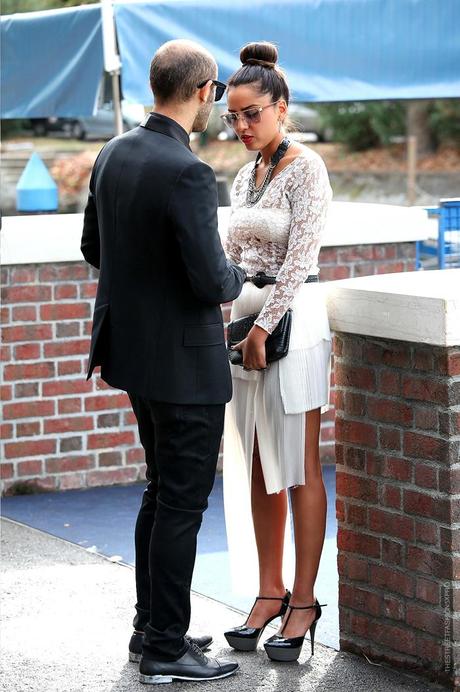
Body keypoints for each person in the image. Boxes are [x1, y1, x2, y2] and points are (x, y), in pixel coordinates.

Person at [80, 39, 246, 685]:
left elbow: (95, 246)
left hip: (133, 356)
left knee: (159, 493)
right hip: (183, 364)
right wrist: (241, 274)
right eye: (218, 95)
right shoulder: (188, 170)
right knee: (181, 503)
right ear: (205, 89)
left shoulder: (114, 151)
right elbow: (212, 282)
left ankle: (153, 628)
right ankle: (166, 653)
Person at [221, 41, 332, 663]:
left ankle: (305, 600)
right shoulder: (245, 174)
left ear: (281, 107)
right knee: (260, 461)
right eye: (232, 116)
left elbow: (299, 262)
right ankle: (270, 591)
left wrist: (263, 328)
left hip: (292, 325)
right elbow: (236, 262)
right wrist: (233, 324)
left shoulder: (307, 168)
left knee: (300, 465)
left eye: (251, 114)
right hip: (246, 325)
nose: (240, 126)